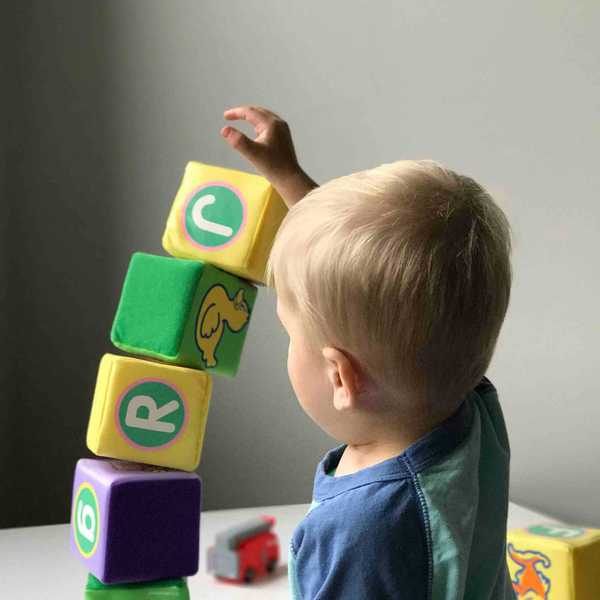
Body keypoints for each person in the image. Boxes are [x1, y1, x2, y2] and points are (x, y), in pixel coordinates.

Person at [221, 106, 516, 600]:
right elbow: (388, 292)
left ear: (341, 378)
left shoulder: (363, 532)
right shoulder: (466, 404)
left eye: (291, 335)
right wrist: (289, 180)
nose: (290, 347)